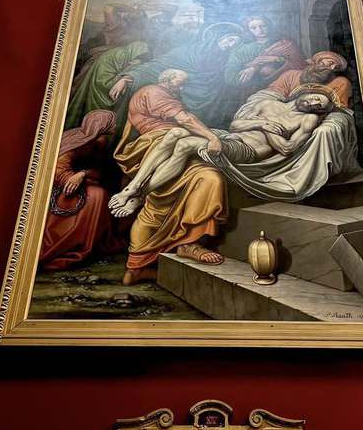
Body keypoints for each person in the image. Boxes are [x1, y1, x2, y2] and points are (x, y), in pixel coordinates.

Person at [109, 84, 337, 217]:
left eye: (320, 107)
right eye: (316, 98)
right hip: (230, 136)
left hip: (247, 149)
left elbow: (287, 148)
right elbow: (236, 125)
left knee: (186, 145)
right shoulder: (269, 104)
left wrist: (264, 128)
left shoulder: (307, 120)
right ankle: (133, 187)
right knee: (176, 133)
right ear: (307, 92)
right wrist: (263, 122)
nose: (315, 103)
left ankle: (141, 195)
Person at [111, 68, 229, 284]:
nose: (181, 88)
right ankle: (136, 267)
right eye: (179, 83)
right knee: (160, 202)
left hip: (178, 147)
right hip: (154, 146)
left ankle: (189, 243)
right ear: (166, 80)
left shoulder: (165, 95)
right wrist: (212, 137)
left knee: (210, 178)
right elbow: (185, 119)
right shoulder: (154, 91)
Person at [106, 22, 244, 127]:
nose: (232, 45)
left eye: (236, 43)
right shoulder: (187, 53)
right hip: (177, 108)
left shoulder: (228, 60)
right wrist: (127, 78)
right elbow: (156, 66)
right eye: (230, 39)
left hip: (211, 112)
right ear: (217, 37)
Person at [39, 110, 123, 270]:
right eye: (111, 123)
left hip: (80, 181)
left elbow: (97, 171)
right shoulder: (77, 141)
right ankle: (72, 241)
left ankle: (90, 241)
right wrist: (73, 178)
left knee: (100, 193)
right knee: (97, 195)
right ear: (101, 126)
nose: (115, 126)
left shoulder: (99, 141)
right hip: (60, 188)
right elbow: (57, 170)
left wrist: (83, 174)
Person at [223, 16, 306, 92]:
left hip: (288, 87)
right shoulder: (241, 50)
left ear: (269, 26)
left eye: (263, 26)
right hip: (254, 91)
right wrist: (254, 70)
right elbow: (230, 77)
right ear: (248, 30)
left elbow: (301, 65)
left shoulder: (286, 44)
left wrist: (277, 59)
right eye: (253, 28)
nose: (259, 30)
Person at [268, 50, 353, 108]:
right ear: (319, 61)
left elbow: (339, 109)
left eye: (336, 67)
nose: (332, 68)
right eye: (331, 63)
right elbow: (270, 95)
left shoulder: (340, 82)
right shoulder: (291, 75)